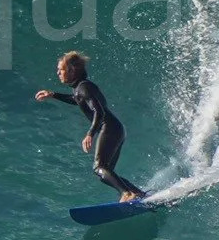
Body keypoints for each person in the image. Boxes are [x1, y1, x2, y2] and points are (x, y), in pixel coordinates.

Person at [35, 50, 145, 202]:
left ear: (72, 70)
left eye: (61, 69)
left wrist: (90, 134)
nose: (58, 73)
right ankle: (139, 194)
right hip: (115, 128)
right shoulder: (81, 88)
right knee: (106, 172)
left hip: (109, 128)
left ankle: (127, 193)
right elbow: (77, 99)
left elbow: (99, 111)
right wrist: (53, 94)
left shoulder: (84, 87)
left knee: (99, 167)